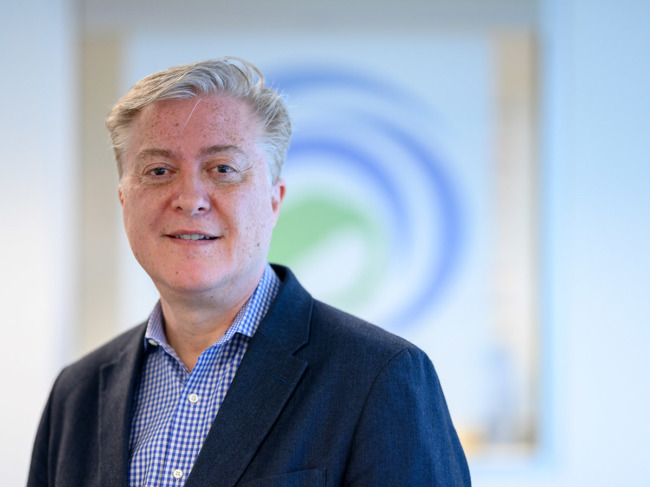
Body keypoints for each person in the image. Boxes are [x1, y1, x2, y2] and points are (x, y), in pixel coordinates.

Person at [27, 57, 471, 486]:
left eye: (223, 169)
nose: (190, 199)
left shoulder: (380, 376)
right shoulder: (76, 393)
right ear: (125, 200)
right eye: (158, 170)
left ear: (274, 201)